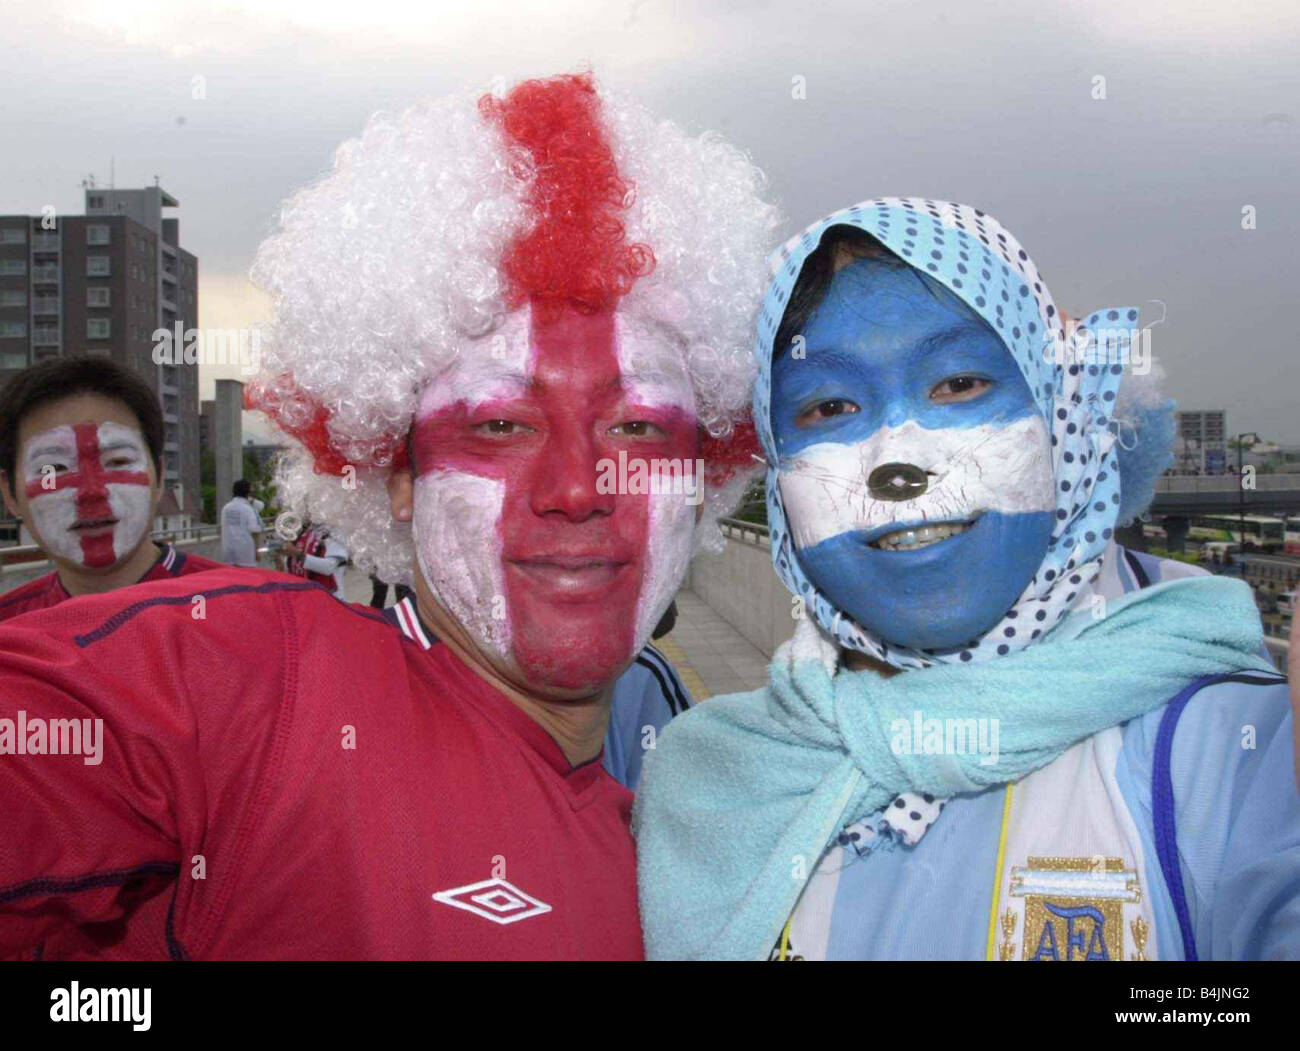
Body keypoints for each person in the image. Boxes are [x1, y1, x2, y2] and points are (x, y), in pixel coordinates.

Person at [0, 72, 777, 960]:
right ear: (397, 472)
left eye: (636, 425)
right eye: (501, 424)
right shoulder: (246, 684)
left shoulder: (690, 865)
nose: (577, 485)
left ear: (704, 472)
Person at [634, 198, 1298, 961]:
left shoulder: (1228, 746)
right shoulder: (708, 782)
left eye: (958, 385)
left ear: (1062, 417)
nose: (898, 461)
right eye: (830, 405)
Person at [0, 357, 222, 622]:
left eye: (118, 461)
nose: (91, 491)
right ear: (10, 495)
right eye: (55, 469)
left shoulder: (242, 609)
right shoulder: (9, 634)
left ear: (160, 477)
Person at [219, 478, 263, 566]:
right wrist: (257, 551)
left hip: (228, 551)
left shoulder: (226, 508)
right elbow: (255, 532)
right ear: (248, 492)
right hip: (245, 553)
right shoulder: (248, 509)